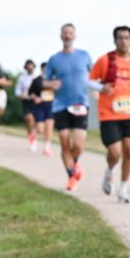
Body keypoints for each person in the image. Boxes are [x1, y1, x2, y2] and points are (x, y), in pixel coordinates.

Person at [91, 25, 130, 203]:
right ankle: (109, 170)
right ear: (114, 40)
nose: (123, 41)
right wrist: (102, 87)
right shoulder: (105, 60)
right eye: (120, 38)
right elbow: (89, 80)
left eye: (126, 38)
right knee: (115, 152)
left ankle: (123, 189)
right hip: (109, 114)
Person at [44, 23, 95, 191]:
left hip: (80, 103)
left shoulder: (84, 55)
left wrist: (98, 91)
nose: (67, 35)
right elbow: (44, 81)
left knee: (78, 144)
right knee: (65, 142)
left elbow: (94, 76)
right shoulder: (54, 59)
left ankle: (75, 165)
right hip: (60, 105)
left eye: (70, 33)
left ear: (74, 35)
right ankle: (72, 176)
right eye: (65, 33)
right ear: (60, 36)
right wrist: (51, 83)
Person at [28, 60, 56, 156]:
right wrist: (36, 98)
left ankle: (47, 148)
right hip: (39, 106)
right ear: (42, 69)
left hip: (51, 106)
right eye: (45, 69)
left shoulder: (53, 80)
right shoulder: (36, 80)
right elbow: (30, 94)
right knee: (40, 129)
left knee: (49, 126)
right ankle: (33, 135)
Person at [15, 60, 39, 151]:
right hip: (26, 101)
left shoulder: (37, 77)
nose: (30, 67)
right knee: (29, 119)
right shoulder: (22, 78)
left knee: (36, 123)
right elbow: (17, 90)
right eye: (28, 66)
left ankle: (33, 137)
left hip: (36, 102)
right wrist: (21, 95)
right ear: (26, 67)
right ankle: (32, 140)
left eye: (31, 65)